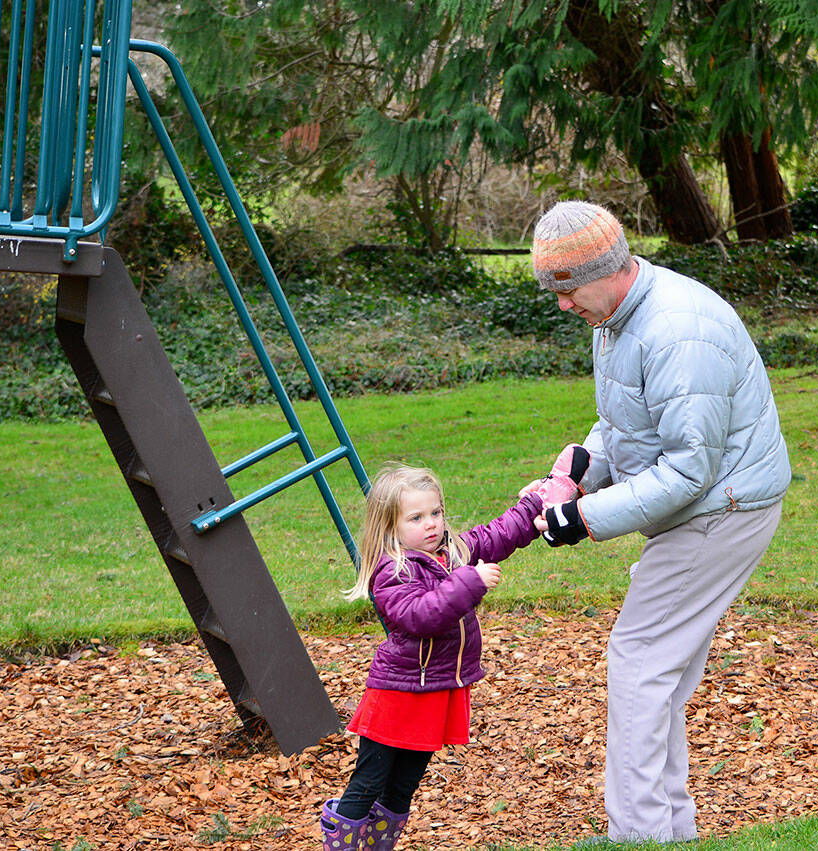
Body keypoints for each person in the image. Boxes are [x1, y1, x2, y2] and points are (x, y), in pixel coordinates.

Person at [524, 200, 792, 843]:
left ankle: (639, 836)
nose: (563, 307)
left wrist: (581, 517)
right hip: (705, 504)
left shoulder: (677, 331)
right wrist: (580, 470)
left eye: (568, 291)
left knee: (639, 661)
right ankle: (667, 833)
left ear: (609, 268)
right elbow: (626, 423)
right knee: (658, 673)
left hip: (722, 511)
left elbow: (688, 472)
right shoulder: (615, 317)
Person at [319, 460, 581, 851]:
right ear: (390, 528)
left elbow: (498, 534)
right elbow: (422, 616)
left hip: (434, 690)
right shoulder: (393, 571)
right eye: (417, 517)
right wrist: (469, 582)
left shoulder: (452, 551)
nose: (431, 524)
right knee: (371, 780)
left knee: (404, 785)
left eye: (436, 513)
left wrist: (537, 502)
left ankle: (376, 846)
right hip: (397, 695)